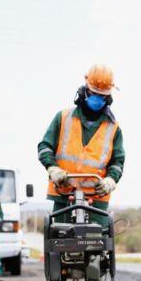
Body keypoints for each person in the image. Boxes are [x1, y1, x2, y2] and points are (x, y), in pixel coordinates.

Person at [37, 64, 125, 228]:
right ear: (85, 90)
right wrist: (53, 169)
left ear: (108, 97)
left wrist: (111, 180)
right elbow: (44, 147)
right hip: (64, 193)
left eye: (102, 95)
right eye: (94, 93)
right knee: (60, 241)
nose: (97, 98)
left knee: (96, 245)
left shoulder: (113, 128)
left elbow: (118, 161)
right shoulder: (63, 118)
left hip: (96, 200)